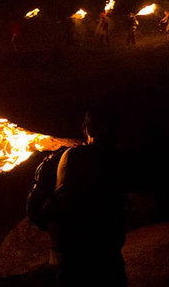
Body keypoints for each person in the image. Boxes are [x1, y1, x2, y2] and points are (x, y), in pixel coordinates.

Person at [45, 110, 127, 286]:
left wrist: (54, 250)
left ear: (92, 129)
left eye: (86, 124)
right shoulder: (120, 159)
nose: (83, 128)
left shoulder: (76, 156)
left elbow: (57, 205)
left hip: (82, 254)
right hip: (102, 253)